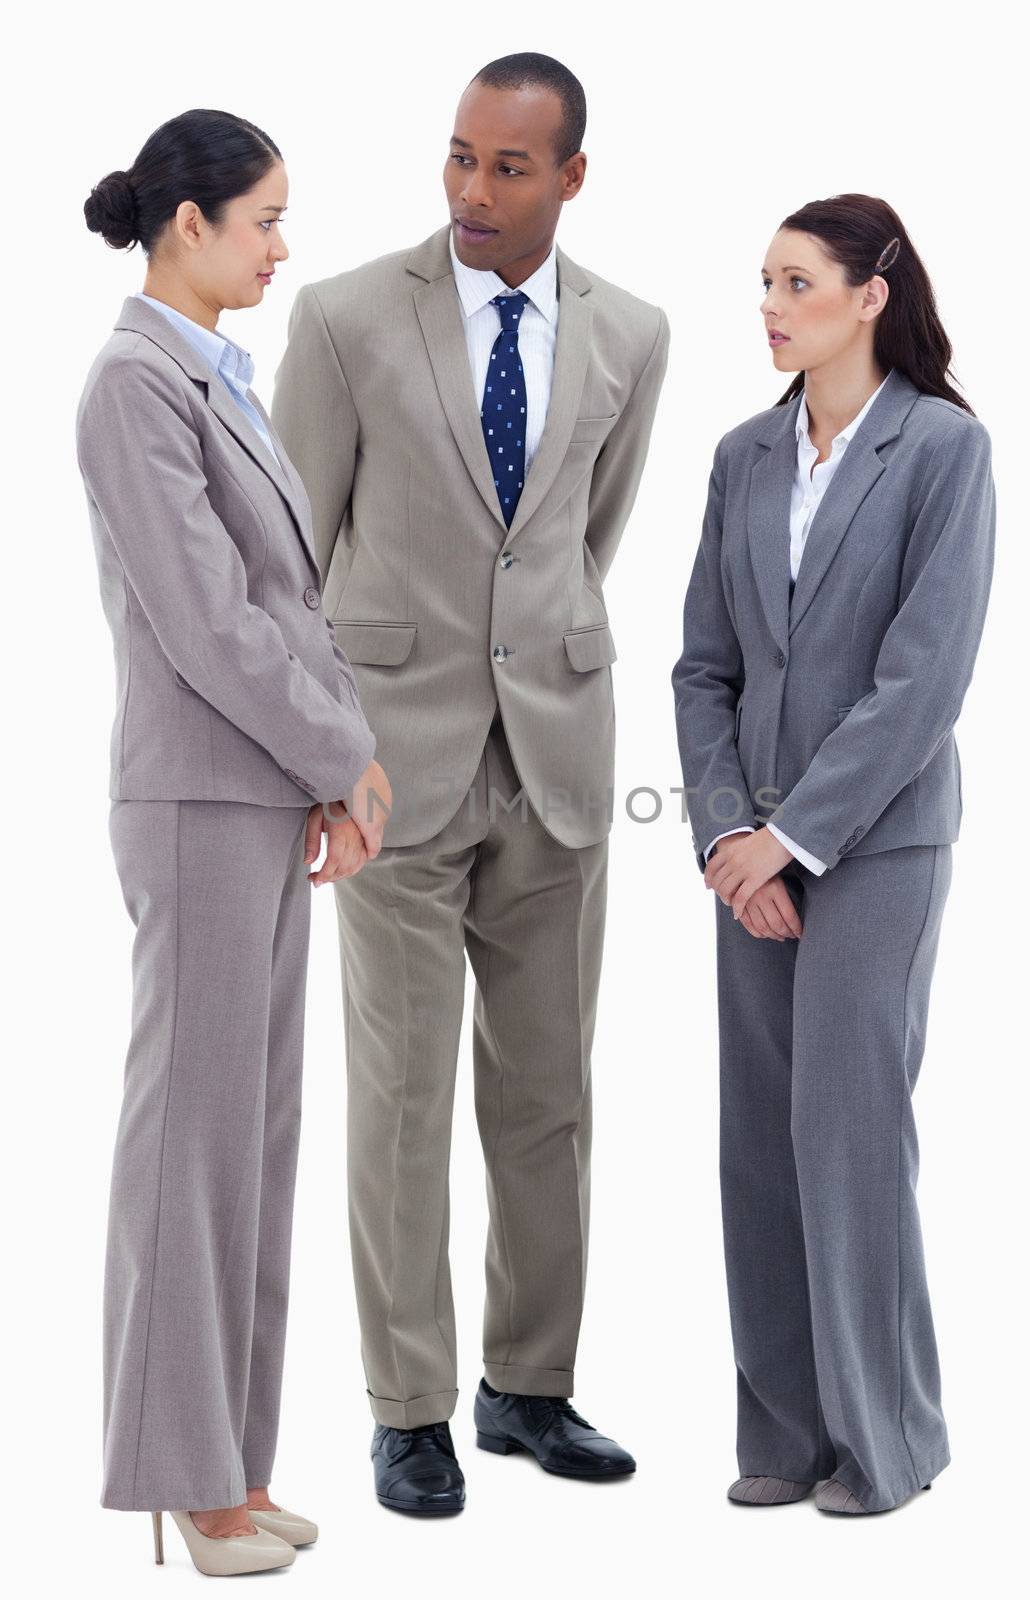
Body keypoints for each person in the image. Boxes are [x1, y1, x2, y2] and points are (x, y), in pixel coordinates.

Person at [270, 53, 669, 1515]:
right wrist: (322, 757)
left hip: (557, 766)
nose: (474, 193)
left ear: (570, 176)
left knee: (549, 1098)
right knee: (398, 1098)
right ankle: (408, 1405)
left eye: (509, 168)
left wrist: (535, 672)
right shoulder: (349, 316)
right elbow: (291, 556)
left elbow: (580, 538)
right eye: (457, 159)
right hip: (387, 765)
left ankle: (529, 1387)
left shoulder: (635, 331)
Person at [77, 108, 391, 1574]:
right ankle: (181, 1484)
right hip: (203, 799)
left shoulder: (215, 380)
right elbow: (210, 621)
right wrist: (345, 754)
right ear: (186, 225)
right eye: (262, 219)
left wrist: (333, 773)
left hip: (260, 794)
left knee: (249, 1150)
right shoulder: (134, 385)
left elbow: (289, 610)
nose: (281, 245)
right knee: (190, 1152)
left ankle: (230, 1467)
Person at [672, 194, 996, 1516]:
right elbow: (703, 666)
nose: (769, 306)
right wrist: (723, 839)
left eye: (795, 282)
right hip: (742, 845)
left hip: (875, 849)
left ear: (870, 294)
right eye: (762, 282)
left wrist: (790, 843)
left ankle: (885, 1443)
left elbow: (923, 682)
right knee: (756, 1139)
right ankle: (785, 1436)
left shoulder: (940, 453)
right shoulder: (743, 455)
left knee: (846, 1132)